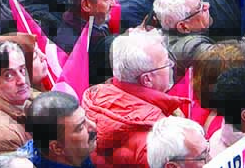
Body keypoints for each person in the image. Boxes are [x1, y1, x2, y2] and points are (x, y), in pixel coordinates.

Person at [81, 29, 190, 168]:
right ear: (147, 79)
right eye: (166, 63)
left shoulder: (98, 97)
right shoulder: (158, 136)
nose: (172, 67)